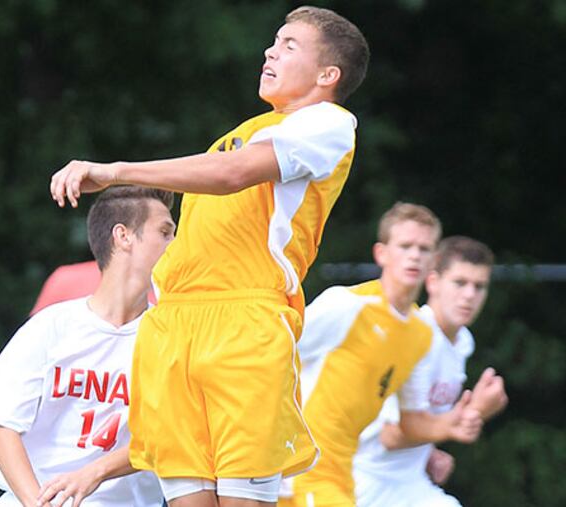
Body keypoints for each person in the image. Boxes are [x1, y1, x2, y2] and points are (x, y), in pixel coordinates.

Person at [50, 6, 370, 505]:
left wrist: (116, 171)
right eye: (274, 40)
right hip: (176, 325)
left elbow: (230, 176)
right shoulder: (245, 130)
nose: (270, 50)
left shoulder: (327, 123)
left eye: (289, 45)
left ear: (329, 74)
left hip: (244, 325)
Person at [0, 186, 176, 507]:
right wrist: (37, 503)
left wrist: (94, 472)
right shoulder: (50, 327)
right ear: (123, 237)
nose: (175, 245)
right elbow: (2, 429)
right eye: (165, 232)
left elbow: (171, 438)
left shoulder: (170, 338)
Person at [284, 203, 483, 507]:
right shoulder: (347, 306)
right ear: (382, 253)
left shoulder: (421, 334)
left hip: (341, 476)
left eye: (424, 248)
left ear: (434, 262)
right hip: (299, 470)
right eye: (405, 246)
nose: (414, 255)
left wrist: (453, 424)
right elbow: (275, 358)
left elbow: (411, 420)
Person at [352, 236, 508, 507]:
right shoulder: (416, 338)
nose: (470, 295)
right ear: (433, 282)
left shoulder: (462, 343)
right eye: (460, 283)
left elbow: (421, 420)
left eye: (479, 286)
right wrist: (472, 415)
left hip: (410, 484)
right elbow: (390, 435)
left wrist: (428, 453)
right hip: (367, 485)